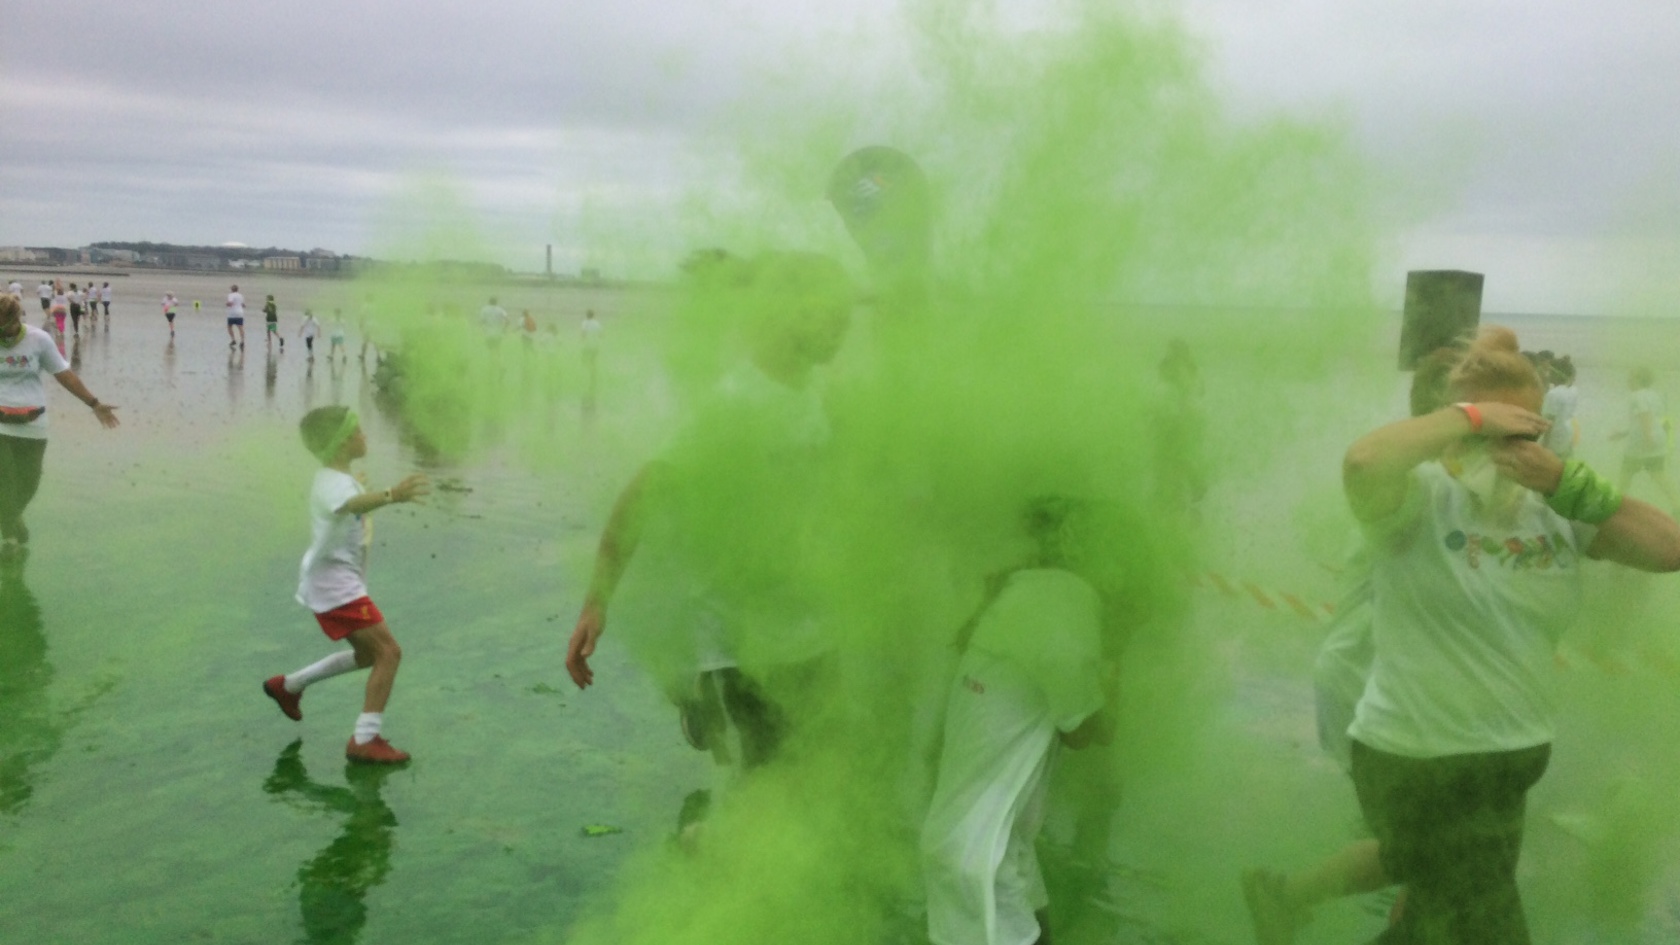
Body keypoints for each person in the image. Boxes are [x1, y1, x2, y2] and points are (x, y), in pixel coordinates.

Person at [1336, 326, 1680, 944]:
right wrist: (1466, 416)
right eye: (1484, 434)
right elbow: (1363, 461)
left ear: (1538, 428)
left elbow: (1668, 548)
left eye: (1520, 433)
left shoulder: (1558, 505)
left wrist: (1565, 484)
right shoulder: (1419, 498)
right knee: (1487, 923)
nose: (1500, 451)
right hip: (1416, 757)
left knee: (1438, 921)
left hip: (1508, 763)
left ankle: (1296, 901)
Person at [566, 253, 852, 775]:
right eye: (834, 318)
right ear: (794, 316)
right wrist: (596, 603)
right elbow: (643, 496)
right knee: (767, 796)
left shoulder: (814, 391)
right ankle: (700, 715)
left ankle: (707, 828)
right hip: (746, 647)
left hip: (815, 635)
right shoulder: (733, 405)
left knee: (818, 786)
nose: (844, 332)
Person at [1241, 346, 1460, 945]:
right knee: (1430, 850)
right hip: (1368, 688)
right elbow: (1366, 465)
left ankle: (1287, 898)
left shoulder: (1444, 483)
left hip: (1375, 685)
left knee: (1421, 849)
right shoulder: (1411, 487)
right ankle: (1289, 897)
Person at [921, 498, 1124, 945]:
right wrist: (1118, 651)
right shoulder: (1066, 608)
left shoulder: (1022, 592)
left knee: (1040, 925)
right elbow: (1090, 732)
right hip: (982, 854)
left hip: (991, 842)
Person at [262, 405, 430, 764]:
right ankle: (364, 740)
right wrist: (390, 495)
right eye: (357, 431)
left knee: (369, 655)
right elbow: (348, 503)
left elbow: (351, 504)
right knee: (389, 653)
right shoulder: (332, 484)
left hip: (338, 583)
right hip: (337, 588)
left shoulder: (336, 478)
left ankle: (288, 686)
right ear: (341, 443)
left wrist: (366, 496)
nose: (364, 436)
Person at [0, 295, 120, 558]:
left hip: (33, 424)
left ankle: (11, 517)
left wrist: (94, 403)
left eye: (4, 327)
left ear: (16, 318)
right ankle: (8, 537)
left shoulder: (38, 340)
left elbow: (64, 375)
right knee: (4, 481)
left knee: (28, 484)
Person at [1612, 366, 1680, 513]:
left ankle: (1614, 509)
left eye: (1630, 378)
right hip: (1657, 440)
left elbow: (1645, 415)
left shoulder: (1637, 396)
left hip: (1641, 444)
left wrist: (1648, 437)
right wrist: (1622, 433)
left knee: (1625, 477)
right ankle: (1677, 506)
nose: (1627, 381)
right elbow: (1657, 419)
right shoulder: (1655, 395)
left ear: (1637, 380)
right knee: (1660, 476)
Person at [1540, 356, 1579, 460]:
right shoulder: (1572, 391)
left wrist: (1544, 447)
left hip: (1555, 439)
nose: (1548, 374)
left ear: (1557, 375)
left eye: (1550, 372)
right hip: (1568, 435)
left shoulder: (1553, 394)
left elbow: (1549, 422)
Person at [226, 284, 246, 349]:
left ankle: (233, 340)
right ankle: (242, 341)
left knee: (229, 326)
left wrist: (227, 304)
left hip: (232, 313)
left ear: (232, 289)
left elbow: (230, 303)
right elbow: (243, 305)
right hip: (240, 313)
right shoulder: (241, 295)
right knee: (240, 328)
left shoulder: (230, 295)